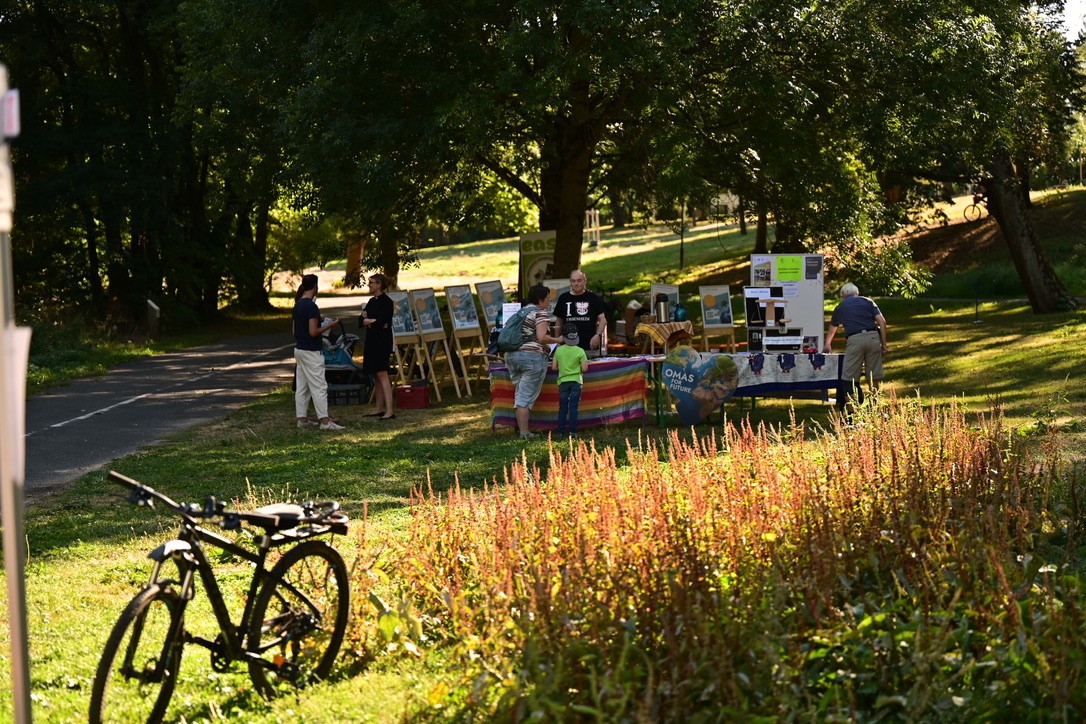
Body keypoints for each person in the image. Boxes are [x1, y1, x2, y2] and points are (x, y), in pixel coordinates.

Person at [507, 285, 565, 439]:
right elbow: (542, 337)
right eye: (547, 298)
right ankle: (524, 433)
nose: (549, 301)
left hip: (512, 356)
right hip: (531, 358)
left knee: (520, 394)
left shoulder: (520, 312)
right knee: (525, 397)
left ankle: (521, 430)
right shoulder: (540, 313)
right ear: (540, 300)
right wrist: (557, 339)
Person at [823, 282, 888, 409]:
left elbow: (833, 328)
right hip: (873, 337)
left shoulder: (841, 306)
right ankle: (875, 409)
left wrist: (827, 344)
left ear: (842, 295)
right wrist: (884, 344)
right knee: (873, 376)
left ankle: (853, 412)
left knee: (848, 378)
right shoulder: (868, 301)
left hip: (854, 339)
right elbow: (882, 321)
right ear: (857, 293)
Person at [293, 274, 345, 430]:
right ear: (315, 286)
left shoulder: (297, 305)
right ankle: (325, 421)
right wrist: (330, 326)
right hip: (311, 351)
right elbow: (314, 331)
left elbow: (294, 330)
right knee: (319, 386)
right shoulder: (311, 307)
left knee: (302, 386)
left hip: (299, 349)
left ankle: (302, 419)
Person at [359, 273, 396, 420]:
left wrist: (370, 320)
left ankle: (390, 410)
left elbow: (383, 322)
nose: (369, 285)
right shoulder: (371, 301)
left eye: (371, 282)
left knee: (382, 374)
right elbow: (361, 320)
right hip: (372, 340)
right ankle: (379, 408)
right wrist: (370, 320)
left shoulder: (387, 302)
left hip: (382, 341)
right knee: (375, 374)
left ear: (379, 284)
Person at [554, 269, 607, 355]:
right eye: (573, 281)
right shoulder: (563, 298)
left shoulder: (593, 297)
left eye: (579, 280)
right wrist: (557, 341)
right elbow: (559, 321)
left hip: (589, 347)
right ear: (570, 282)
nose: (576, 283)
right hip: (568, 348)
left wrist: (597, 335)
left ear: (585, 281)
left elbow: (603, 320)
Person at [550, 329, 589, 437]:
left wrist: (563, 368)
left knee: (562, 407)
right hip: (576, 380)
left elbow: (553, 367)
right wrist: (577, 369)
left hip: (563, 381)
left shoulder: (559, 351)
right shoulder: (580, 351)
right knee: (573, 406)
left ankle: (561, 432)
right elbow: (585, 368)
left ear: (564, 339)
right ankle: (573, 431)